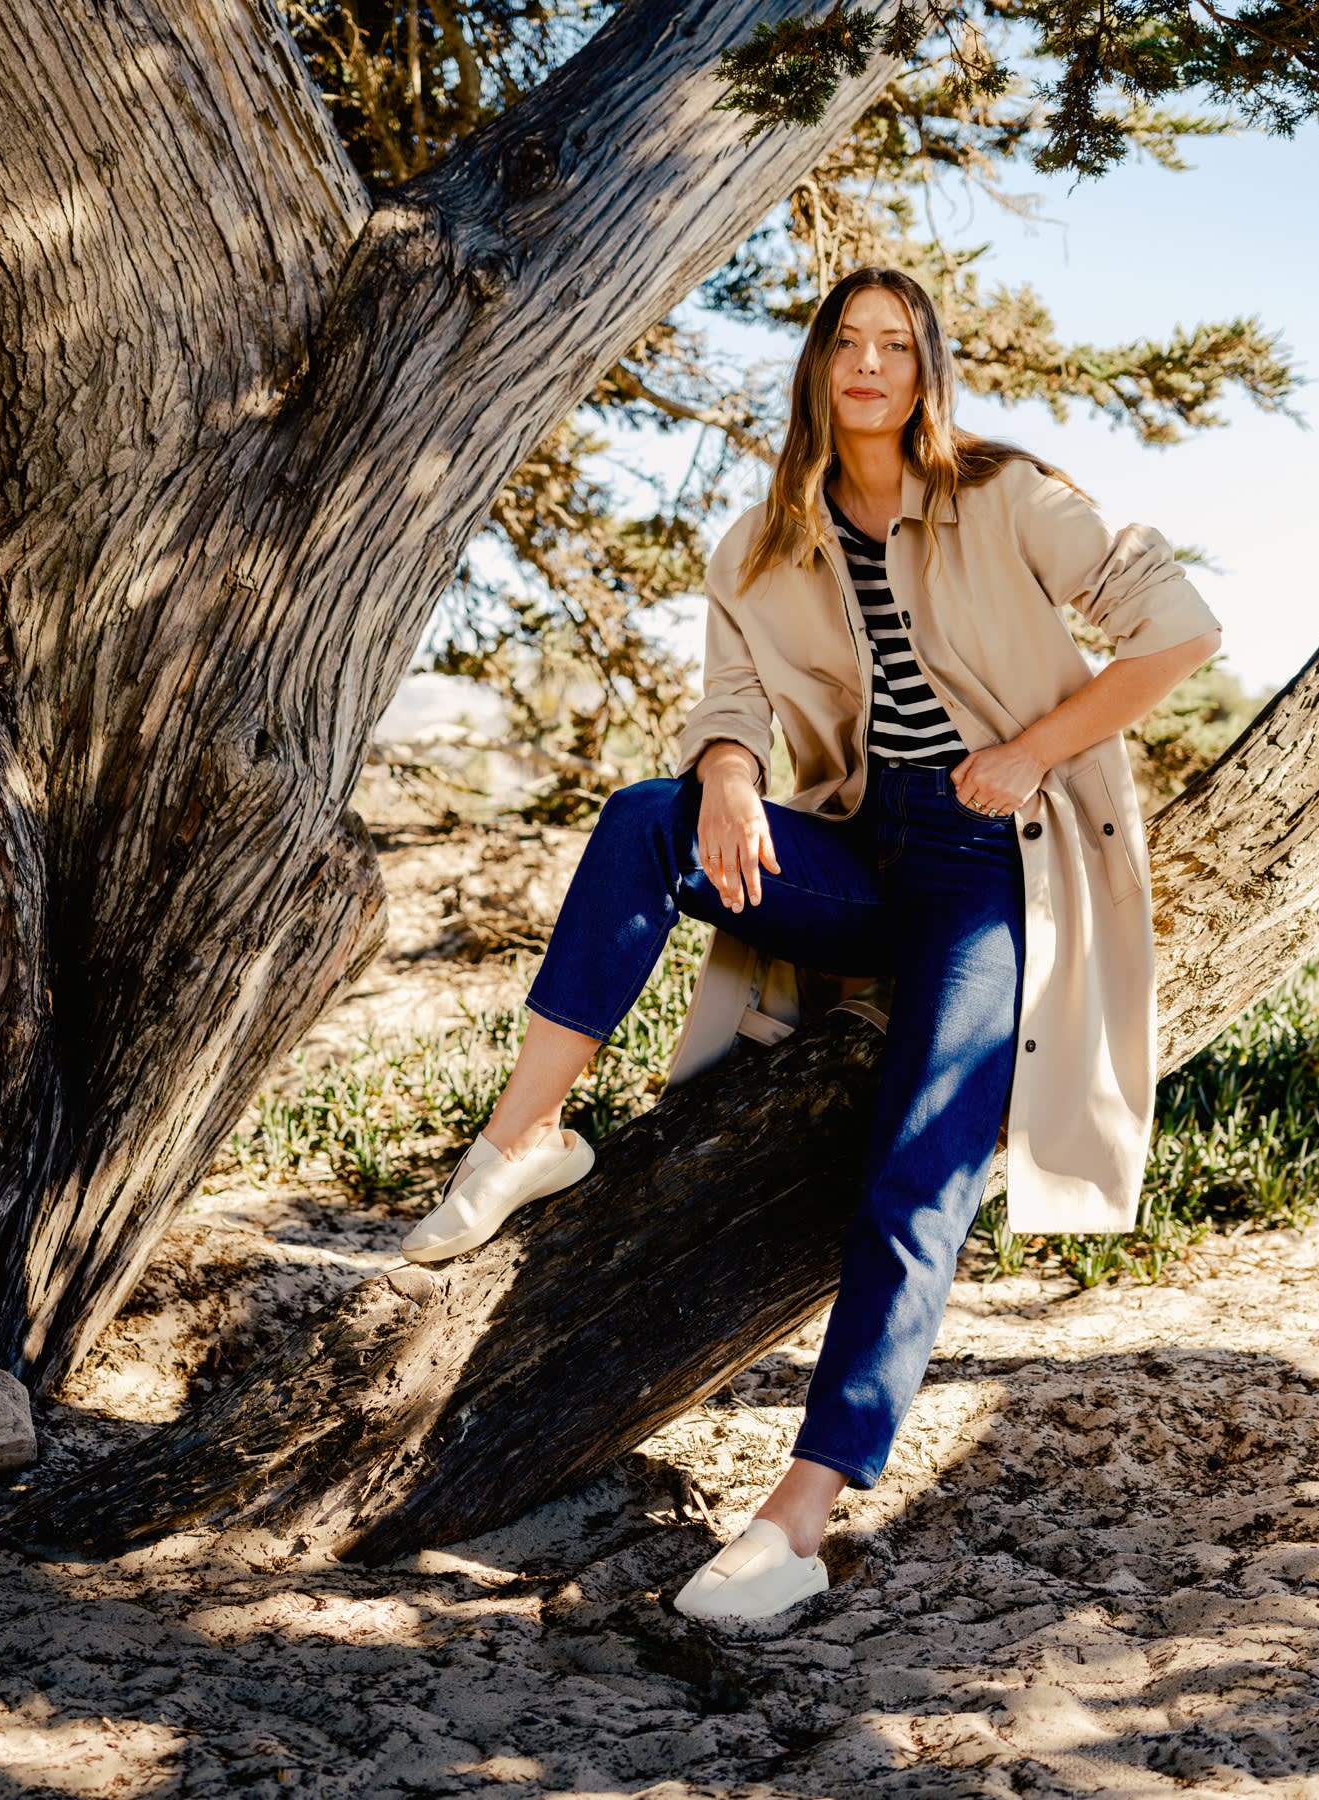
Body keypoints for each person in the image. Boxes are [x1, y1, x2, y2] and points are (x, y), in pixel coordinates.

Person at [398, 265, 1224, 1620]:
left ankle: (799, 1519)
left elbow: (1178, 632)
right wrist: (727, 767)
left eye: (897, 345)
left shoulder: (1012, 496)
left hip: (992, 870)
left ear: (928, 370)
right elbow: (728, 694)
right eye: (846, 341)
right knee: (647, 819)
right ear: (816, 369)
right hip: (858, 853)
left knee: (917, 1178)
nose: (869, 365)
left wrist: (1029, 751)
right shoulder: (761, 541)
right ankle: (522, 1142)